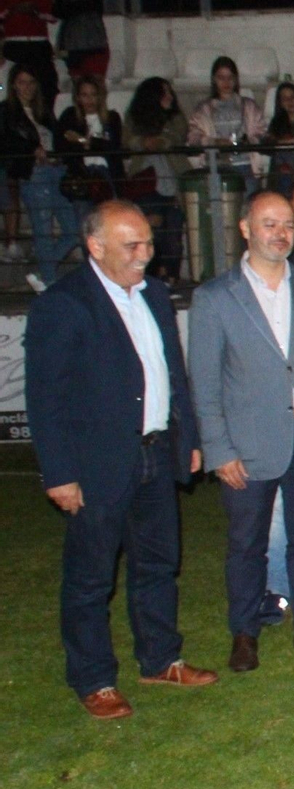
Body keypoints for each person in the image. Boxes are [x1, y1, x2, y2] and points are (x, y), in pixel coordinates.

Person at [25, 201, 215, 719]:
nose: (145, 255)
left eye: (148, 244)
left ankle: (160, 659)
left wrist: (188, 436)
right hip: (97, 464)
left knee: (158, 563)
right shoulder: (64, 304)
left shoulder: (153, 294)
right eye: (131, 245)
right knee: (91, 577)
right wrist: (60, 473)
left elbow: (173, 373)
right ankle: (93, 678)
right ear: (95, 247)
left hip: (156, 452)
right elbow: (45, 397)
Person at [188, 191, 294, 673]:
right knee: (246, 542)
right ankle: (244, 631)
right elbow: (205, 379)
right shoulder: (215, 297)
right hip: (247, 442)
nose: (280, 233)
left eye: (286, 225)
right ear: (245, 229)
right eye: (269, 224)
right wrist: (219, 449)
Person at [2, 65, 79, 287]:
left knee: (72, 229)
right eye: (22, 82)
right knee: (43, 228)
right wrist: (31, 149)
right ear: (14, 85)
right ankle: (48, 278)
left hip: (55, 169)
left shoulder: (43, 110)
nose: (27, 87)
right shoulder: (7, 111)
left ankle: (44, 271)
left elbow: (55, 136)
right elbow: (7, 142)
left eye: (31, 82)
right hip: (34, 172)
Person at [124, 78, 189, 280]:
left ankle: (172, 277)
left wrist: (161, 139)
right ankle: (152, 278)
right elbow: (128, 141)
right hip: (146, 184)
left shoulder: (176, 117)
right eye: (164, 93)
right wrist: (144, 142)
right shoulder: (134, 117)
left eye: (170, 92)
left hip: (173, 183)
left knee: (173, 235)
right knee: (152, 233)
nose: (169, 97)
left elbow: (177, 137)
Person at [186, 56, 265, 192]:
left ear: (236, 80)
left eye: (230, 77)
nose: (226, 82)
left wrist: (247, 142)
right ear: (214, 80)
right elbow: (194, 138)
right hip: (215, 166)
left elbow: (261, 131)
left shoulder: (249, 106)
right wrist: (214, 142)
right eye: (221, 78)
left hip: (245, 165)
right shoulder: (202, 109)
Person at [56, 76, 124, 219]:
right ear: (78, 97)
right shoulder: (70, 116)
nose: (89, 100)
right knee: (85, 222)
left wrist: (85, 141)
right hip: (82, 175)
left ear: (100, 96)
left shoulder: (112, 118)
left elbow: (114, 147)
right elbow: (61, 145)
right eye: (84, 95)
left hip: (108, 175)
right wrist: (91, 143)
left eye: (93, 95)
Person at [0, 0, 57, 106]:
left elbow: (53, 16)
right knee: (15, 81)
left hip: (39, 43)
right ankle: (16, 114)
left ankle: (45, 114)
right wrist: (12, 10)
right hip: (15, 44)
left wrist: (36, 11)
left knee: (47, 82)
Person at [54, 0, 108, 80]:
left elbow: (91, 6)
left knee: (95, 82)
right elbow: (58, 11)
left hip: (94, 46)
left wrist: (71, 5)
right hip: (72, 47)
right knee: (77, 82)